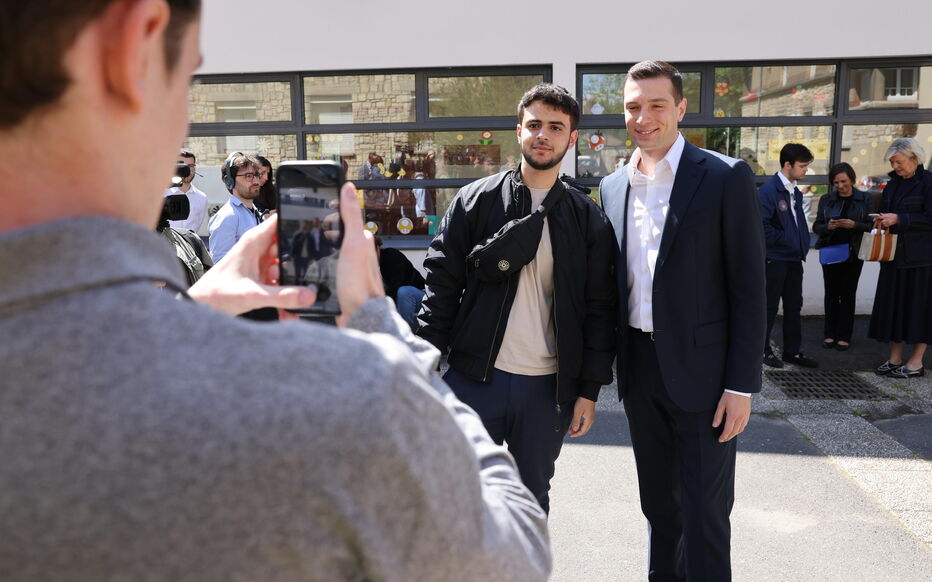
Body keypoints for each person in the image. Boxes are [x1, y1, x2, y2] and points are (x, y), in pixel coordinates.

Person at [0, 2, 552, 580]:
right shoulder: (344, 398)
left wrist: (190, 309)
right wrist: (381, 329)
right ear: (133, 47)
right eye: (187, 79)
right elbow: (512, 557)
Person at [599, 60, 766, 581]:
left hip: (706, 377)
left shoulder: (723, 176)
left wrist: (741, 385)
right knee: (659, 511)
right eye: (632, 107)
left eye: (655, 105)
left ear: (681, 109)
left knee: (705, 516)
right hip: (640, 370)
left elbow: (749, 288)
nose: (642, 117)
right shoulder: (611, 187)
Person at [418, 83, 617, 514]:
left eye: (555, 127)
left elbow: (601, 310)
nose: (543, 134)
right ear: (519, 130)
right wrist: (425, 366)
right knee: (464, 498)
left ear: (572, 137)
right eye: (535, 125)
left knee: (530, 502)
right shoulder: (476, 200)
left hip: (547, 389)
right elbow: (441, 286)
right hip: (474, 379)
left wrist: (588, 391)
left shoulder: (587, 217)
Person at [869, 137, 932, 378]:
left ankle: (916, 363)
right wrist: (883, 219)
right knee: (893, 308)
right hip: (894, 255)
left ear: (915, 158)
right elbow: (890, 210)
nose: (896, 166)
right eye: (893, 162)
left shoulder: (928, 183)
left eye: (900, 161)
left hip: (921, 259)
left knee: (919, 310)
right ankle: (894, 359)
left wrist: (900, 219)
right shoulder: (893, 184)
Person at [759, 143, 819, 368]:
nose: (805, 170)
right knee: (769, 306)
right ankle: (763, 351)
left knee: (794, 306)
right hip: (775, 259)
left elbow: (797, 223)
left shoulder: (794, 190)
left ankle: (792, 352)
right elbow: (761, 227)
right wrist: (789, 240)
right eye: (802, 166)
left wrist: (798, 243)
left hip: (794, 259)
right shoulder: (768, 191)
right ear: (787, 165)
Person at [812, 162, 872, 351]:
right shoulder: (826, 199)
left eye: (843, 181)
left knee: (847, 294)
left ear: (852, 179)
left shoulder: (865, 199)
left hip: (854, 252)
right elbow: (816, 227)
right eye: (836, 182)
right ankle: (829, 334)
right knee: (831, 294)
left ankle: (844, 336)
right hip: (831, 250)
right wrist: (828, 227)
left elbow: (873, 226)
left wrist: (853, 225)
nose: (840, 186)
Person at [208, 152, 264, 263]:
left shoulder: (255, 211)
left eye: (257, 175)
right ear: (230, 181)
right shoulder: (227, 217)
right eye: (248, 176)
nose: (256, 181)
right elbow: (220, 263)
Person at [375, 236, 426, 330]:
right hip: (399, 303)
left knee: (403, 292)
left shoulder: (392, 255)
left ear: (377, 248)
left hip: (420, 297)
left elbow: (396, 286)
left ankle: (403, 334)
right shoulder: (365, 267)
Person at [163, 147, 208, 232]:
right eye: (183, 165)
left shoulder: (202, 198)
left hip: (188, 244)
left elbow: (195, 229)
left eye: (191, 166)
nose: (187, 170)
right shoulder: (162, 194)